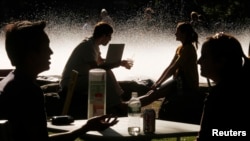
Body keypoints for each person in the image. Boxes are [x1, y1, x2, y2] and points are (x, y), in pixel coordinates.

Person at [0, 20, 118, 141]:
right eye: (46, 47)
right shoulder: (28, 92)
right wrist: (85, 128)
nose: (51, 52)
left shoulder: (9, 82)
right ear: (31, 56)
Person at [60, 22, 131, 119]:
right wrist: (117, 64)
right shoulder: (88, 46)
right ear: (104, 35)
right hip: (71, 81)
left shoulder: (94, 45)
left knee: (107, 71)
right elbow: (96, 69)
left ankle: (119, 100)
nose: (110, 39)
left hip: (80, 78)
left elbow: (101, 62)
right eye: (110, 36)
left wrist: (117, 61)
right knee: (102, 75)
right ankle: (117, 104)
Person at [137, 22, 203, 124]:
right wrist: (157, 83)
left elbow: (174, 68)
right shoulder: (180, 48)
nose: (175, 33)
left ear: (183, 33)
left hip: (186, 85)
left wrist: (158, 84)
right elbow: (169, 66)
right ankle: (125, 106)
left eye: (177, 31)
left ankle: (125, 106)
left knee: (152, 95)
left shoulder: (189, 48)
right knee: (151, 93)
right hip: (178, 81)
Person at [196, 32, 249, 140]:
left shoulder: (219, 95)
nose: (199, 61)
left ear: (221, 61)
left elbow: (206, 136)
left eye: (204, 56)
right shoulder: (242, 88)